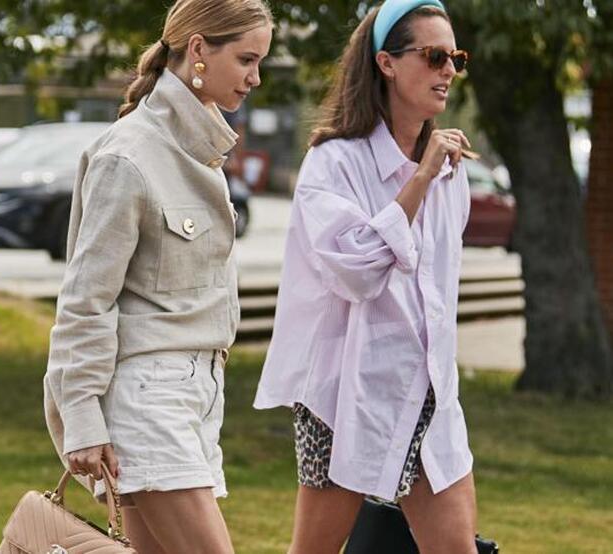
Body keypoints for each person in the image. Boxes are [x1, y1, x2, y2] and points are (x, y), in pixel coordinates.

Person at [43, 1, 272, 553]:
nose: (255, 78)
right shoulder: (128, 156)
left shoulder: (200, 153)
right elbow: (86, 299)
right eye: (246, 59)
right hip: (147, 399)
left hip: (196, 395)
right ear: (199, 50)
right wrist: (82, 417)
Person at [254, 1, 477, 553]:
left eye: (456, 57)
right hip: (345, 394)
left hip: (428, 390)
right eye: (435, 56)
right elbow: (355, 272)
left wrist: (433, 172)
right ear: (387, 62)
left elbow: (438, 293)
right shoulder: (334, 162)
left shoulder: (452, 172)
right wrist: (419, 179)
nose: (449, 70)